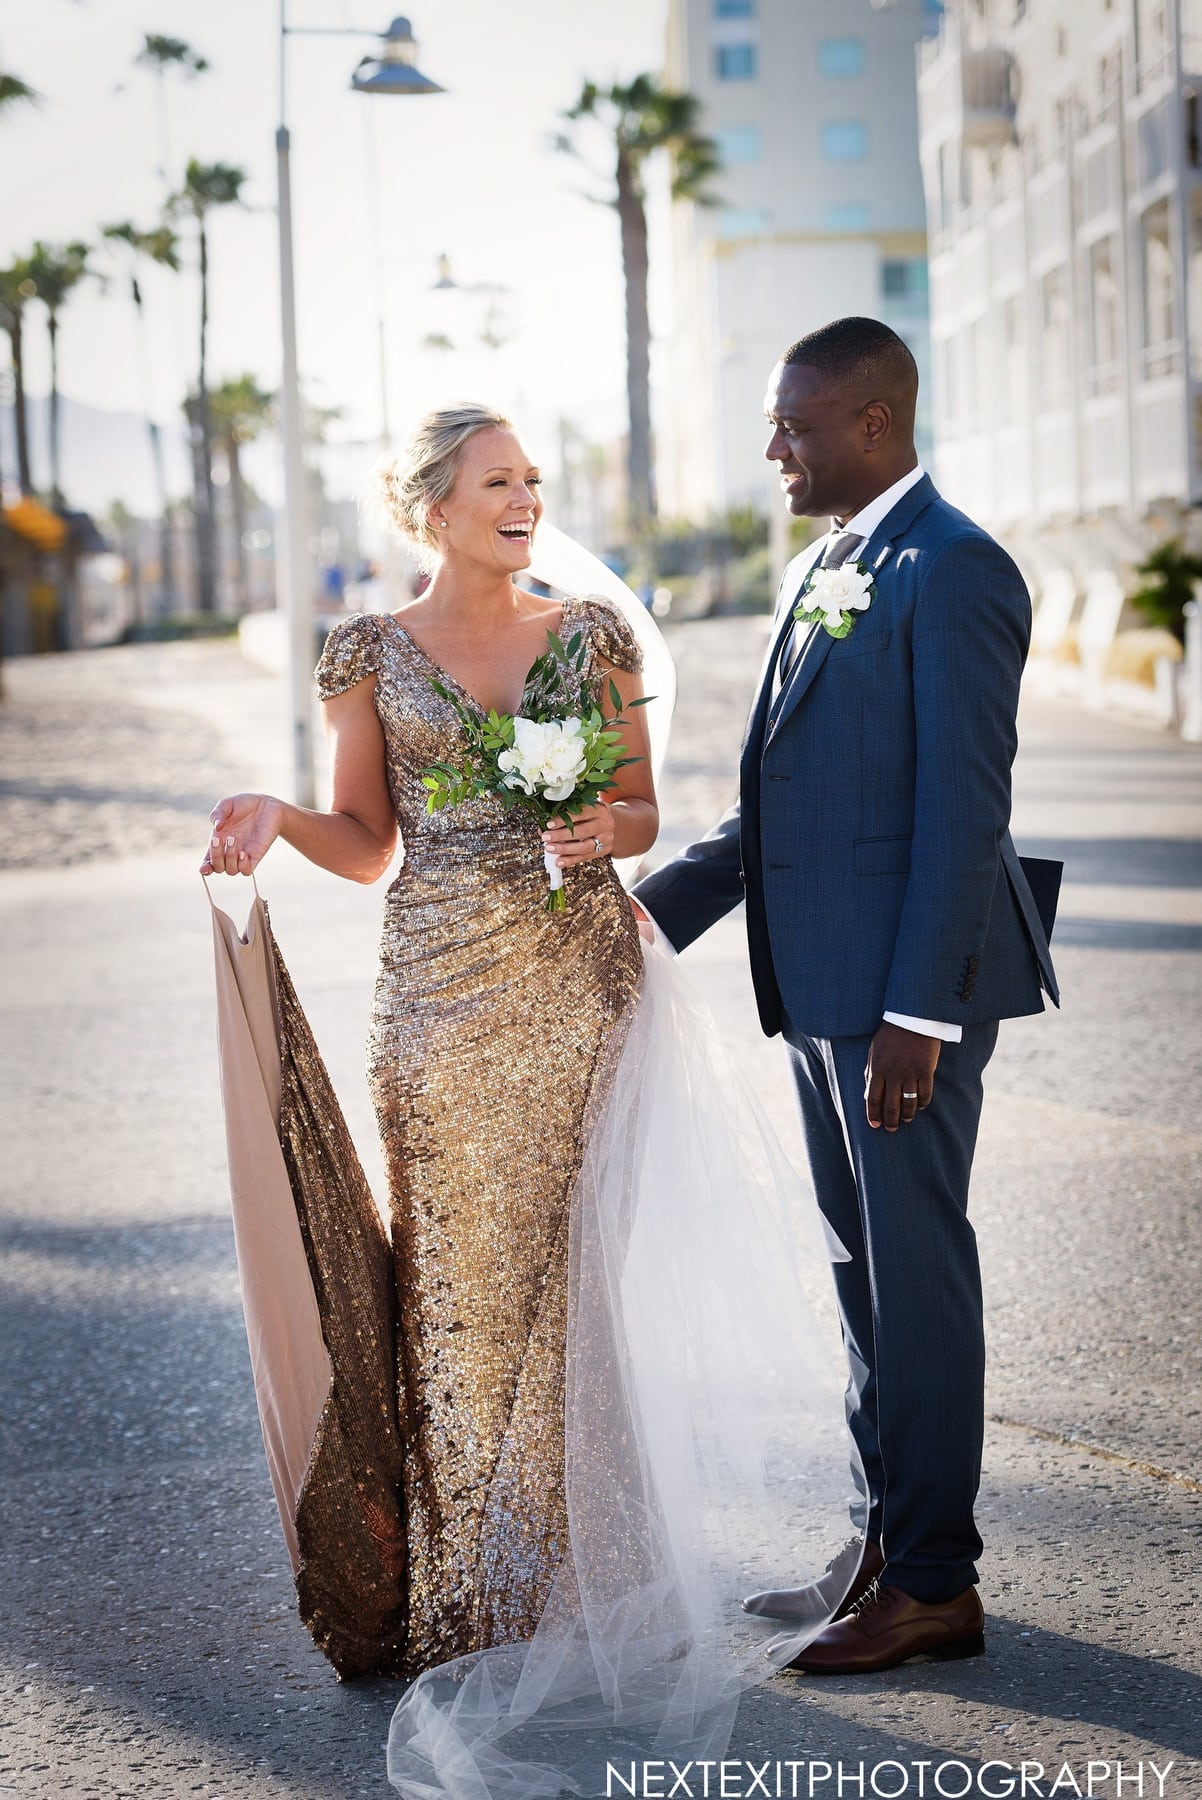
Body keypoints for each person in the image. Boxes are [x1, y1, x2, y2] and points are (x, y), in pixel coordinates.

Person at [202, 401, 659, 1677]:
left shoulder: (591, 634)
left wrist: (597, 835)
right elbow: (367, 844)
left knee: (571, 1285)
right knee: (455, 1293)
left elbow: (640, 809)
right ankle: (461, 1602)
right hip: (439, 1004)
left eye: (532, 477)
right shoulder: (366, 652)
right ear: (432, 508)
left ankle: (567, 1583)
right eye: (497, 480)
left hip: (577, 988)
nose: (524, 497)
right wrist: (277, 816)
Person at [634, 316, 1060, 1674]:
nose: (772, 446)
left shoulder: (953, 568)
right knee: (858, 1276)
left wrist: (919, 1016)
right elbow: (775, 799)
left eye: (792, 424)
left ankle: (935, 1582)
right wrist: (637, 922)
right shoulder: (827, 564)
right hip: (818, 987)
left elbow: (958, 810)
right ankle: (883, 1538)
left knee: (913, 1277)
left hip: (896, 1001)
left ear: (869, 422)